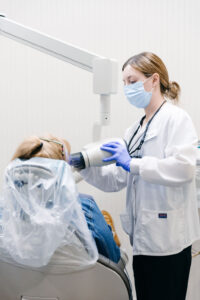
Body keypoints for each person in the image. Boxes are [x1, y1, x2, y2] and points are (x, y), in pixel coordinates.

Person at [78, 52, 200, 300]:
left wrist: (133, 163)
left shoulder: (176, 119)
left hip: (169, 239)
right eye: (124, 83)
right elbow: (117, 179)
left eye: (132, 81)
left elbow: (184, 168)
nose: (127, 88)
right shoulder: (135, 129)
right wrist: (83, 166)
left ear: (154, 79)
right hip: (143, 239)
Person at [10, 134, 121, 264]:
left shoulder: (7, 213)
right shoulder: (85, 209)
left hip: (20, 283)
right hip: (80, 283)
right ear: (62, 170)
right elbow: (112, 258)